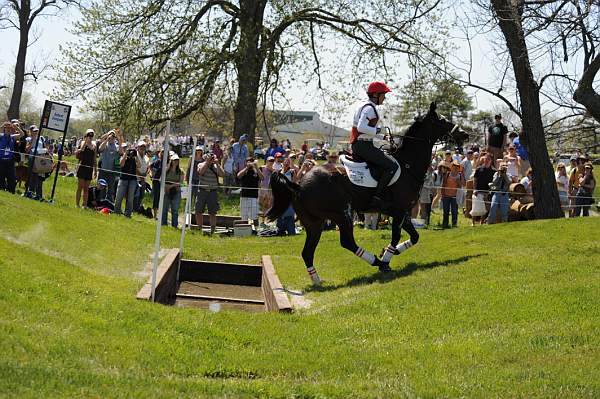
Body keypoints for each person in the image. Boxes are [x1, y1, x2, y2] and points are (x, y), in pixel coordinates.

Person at [349, 81, 397, 209]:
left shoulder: (364, 106)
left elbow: (365, 131)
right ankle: (377, 198)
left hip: (362, 144)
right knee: (392, 166)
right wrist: (379, 130)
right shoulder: (370, 108)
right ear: (376, 94)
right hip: (363, 146)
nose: (385, 97)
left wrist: (382, 137)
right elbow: (361, 127)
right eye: (384, 94)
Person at [196, 152, 224, 235]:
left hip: (212, 192)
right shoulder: (201, 164)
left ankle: (212, 229)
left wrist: (217, 164)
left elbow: (222, 174)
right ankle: (199, 228)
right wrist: (207, 163)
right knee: (199, 211)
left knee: (212, 212)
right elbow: (201, 172)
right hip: (202, 190)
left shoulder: (215, 166)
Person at [237, 157, 263, 227]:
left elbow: (262, 178)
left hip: (254, 197)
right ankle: (244, 229)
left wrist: (256, 167)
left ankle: (257, 229)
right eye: (248, 161)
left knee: (254, 215)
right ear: (246, 163)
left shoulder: (256, 171)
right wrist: (246, 168)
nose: (249, 163)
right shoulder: (244, 171)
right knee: (244, 215)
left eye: (251, 161)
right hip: (244, 196)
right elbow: (238, 176)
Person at [114, 147, 140, 217]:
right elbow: (121, 164)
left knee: (130, 198)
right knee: (119, 196)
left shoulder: (135, 159)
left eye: (132, 152)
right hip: (123, 179)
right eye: (130, 152)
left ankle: (128, 213)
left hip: (133, 180)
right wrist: (125, 153)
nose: (131, 154)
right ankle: (117, 211)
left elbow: (139, 165)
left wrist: (136, 155)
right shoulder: (124, 157)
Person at [75, 129, 98, 207]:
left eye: (91, 135)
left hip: (89, 168)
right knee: (80, 187)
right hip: (82, 166)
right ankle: (77, 204)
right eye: (89, 135)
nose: (90, 137)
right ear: (86, 135)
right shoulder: (82, 143)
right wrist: (86, 141)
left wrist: (95, 170)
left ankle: (84, 205)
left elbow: (94, 159)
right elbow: (81, 150)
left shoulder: (94, 146)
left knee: (86, 188)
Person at [471, 154, 495, 225]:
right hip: (477, 191)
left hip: (487, 192)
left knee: (485, 209)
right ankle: (473, 223)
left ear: (491, 160)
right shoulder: (479, 169)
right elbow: (475, 180)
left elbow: (494, 182)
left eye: (488, 159)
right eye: (485, 159)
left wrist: (490, 192)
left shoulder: (494, 171)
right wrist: (474, 189)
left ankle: (481, 222)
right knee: (475, 208)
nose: (486, 160)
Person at [440, 160, 465, 228]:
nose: (455, 168)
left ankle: (454, 224)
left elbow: (462, 185)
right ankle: (445, 224)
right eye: (454, 167)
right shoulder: (447, 174)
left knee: (454, 211)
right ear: (452, 167)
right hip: (446, 196)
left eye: (457, 167)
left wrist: (459, 181)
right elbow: (443, 185)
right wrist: (442, 195)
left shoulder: (459, 176)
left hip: (455, 196)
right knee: (446, 211)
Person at [97, 130, 120, 201]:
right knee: (101, 188)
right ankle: (100, 202)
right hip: (103, 170)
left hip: (112, 172)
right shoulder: (105, 144)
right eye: (110, 136)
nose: (111, 138)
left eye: (113, 137)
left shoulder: (117, 147)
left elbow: (121, 152)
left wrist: (118, 137)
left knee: (111, 190)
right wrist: (107, 138)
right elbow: (100, 149)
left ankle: (109, 204)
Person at [26, 125, 48, 200]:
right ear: (30, 131)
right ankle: (30, 192)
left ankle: (39, 195)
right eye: (34, 131)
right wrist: (32, 140)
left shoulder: (41, 138)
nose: (36, 132)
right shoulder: (29, 139)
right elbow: (27, 150)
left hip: (40, 160)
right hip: (32, 159)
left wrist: (45, 151)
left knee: (40, 178)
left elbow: (45, 148)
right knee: (32, 177)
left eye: (36, 131)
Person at [162, 154, 184, 227]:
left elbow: (180, 182)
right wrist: (166, 187)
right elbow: (161, 180)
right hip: (166, 191)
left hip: (176, 192)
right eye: (174, 160)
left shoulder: (181, 171)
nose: (176, 162)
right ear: (171, 161)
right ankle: (163, 224)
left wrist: (171, 186)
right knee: (164, 209)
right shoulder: (166, 170)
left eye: (177, 160)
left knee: (175, 210)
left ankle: (174, 225)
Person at [0, 121, 19, 193]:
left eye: (9, 128)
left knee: (11, 177)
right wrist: (3, 125)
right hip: (1, 160)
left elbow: (22, 134)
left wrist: (16, 127)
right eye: (6, 128)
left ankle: (11, 191)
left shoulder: (12, 137)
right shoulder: (1, 136)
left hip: (10, 161)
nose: (8, 129)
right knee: (1, 176)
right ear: (4, 129)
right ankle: (2, 189)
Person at [133, 141, 149, 212]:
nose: (142, 148)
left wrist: (145, 174)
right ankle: (134, 209)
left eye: (144, 147)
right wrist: (141, 176)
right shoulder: (135, 156)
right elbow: (135, 167)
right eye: (141, 147)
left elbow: (148, 167)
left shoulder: (146, 158)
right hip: (136, 179)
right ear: (138, 148)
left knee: (142, 194)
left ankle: (138, 208)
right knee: (136, 195)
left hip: (143, 179)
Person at [258, 156, 275, 225]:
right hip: (263, 189)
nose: (271, 162)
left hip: (270, 190)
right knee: (263, 206)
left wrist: (272, 169)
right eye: (269, 161)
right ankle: (262, 221)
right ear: (266, 161)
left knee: (269, 206)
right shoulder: (262, 168)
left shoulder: (274, 170)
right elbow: (258, 177)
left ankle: (268, 221)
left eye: (272, 161)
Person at [150, 149, 165, 219]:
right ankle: (155, 215)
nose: (163, 154)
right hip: (157, 182)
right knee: (156, 198)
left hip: (165, 182)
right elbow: (151, 166)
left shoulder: (168, 162)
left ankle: (162, 215)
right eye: (162, 153)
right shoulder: (158, 161)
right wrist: (152, 175)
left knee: (163, 198)